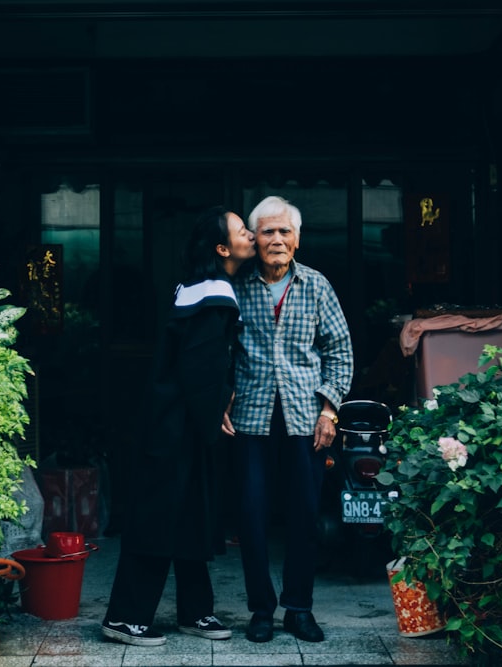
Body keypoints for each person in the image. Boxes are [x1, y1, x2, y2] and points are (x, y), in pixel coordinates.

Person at [101, 205, 255, 646]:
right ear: (222, 248)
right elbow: (201, 368)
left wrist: (214, 405)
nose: (250, 234)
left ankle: (196, 612)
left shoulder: (198, 289)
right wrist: (217, 410)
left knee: (190, 517)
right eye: (242, 230)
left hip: (181, 425)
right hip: (175, 430)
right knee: (158, 518)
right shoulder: (213, 296)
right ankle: (125, 616)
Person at [228, 195, 353, 643]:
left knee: (304, 515)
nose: (276, 240)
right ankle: (261, 610)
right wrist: (221, 398)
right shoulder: (236, 285)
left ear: (297, 239)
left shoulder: (317, 286)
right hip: (250, 418)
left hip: (306, 419)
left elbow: (340, 351)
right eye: (267, 232)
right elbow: (219, 348)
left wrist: (329, 410)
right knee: (252, 516)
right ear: (253, 240)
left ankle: (299, 608)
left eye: (284, 232)